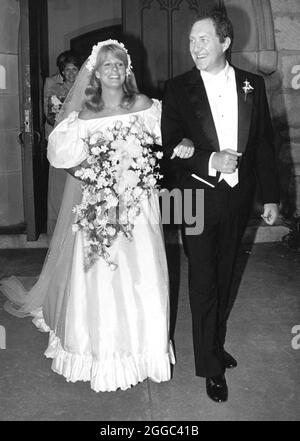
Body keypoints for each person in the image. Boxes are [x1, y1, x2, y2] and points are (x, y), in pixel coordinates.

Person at [0, 40, 182, 392]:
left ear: (127, 69)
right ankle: (98, 351)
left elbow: (170, 140)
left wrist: (140, 171)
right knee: (100, 276)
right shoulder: (84, 115)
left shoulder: (145, 106)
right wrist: (99, 176)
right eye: (106, 65)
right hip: (99, 206)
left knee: (142, 273)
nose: (113, 70)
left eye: (119, 64)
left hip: (138, 206)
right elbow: (63, 158)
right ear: (96, 73)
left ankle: (144, 349)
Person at [161, 10, 280, 402]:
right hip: (193, 197)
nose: (195, 47)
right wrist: (210, 160)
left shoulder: (252, 85)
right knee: (203, 281)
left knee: (226, 275)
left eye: (204, 40)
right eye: (192, 41)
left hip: (238, 196)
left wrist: (272, 196)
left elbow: (263, 143)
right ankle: (209, 367)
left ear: (225, 43)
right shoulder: (177, 88)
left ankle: (214, 344)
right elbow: (170, 147)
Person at [44, 50, 82, 235]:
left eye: (74, 69)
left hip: (82, 144)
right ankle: (59, 234)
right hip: (63, 143)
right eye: (67, 70)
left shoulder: (88, 87)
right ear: (62, 72)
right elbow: (53, 118)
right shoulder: (56, 89)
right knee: (60, 191)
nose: (71, 73)